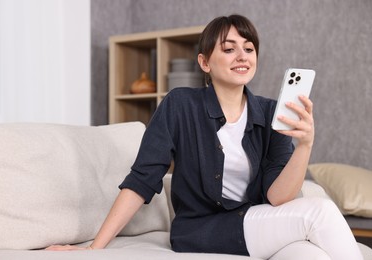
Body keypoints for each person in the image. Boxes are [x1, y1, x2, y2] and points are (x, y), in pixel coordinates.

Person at [47, 14, 362, 259]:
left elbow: (278, 198)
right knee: (319, 211)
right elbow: (142, 179)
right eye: (229, 48)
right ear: (204, 62)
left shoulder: (269, 113)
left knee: (311, 254)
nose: (242, 56)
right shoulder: (180, 104)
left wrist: (305, 145)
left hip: (256, 222)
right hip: (200, 230)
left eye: (249, 48)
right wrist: (94, 249)